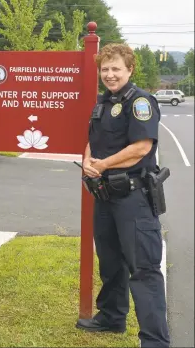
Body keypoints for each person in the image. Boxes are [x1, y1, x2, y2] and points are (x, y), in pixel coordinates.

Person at [75, 43, 170, 348]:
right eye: (105, 69)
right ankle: (112, 317)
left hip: (133, 198)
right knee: (110, 262)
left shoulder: (140, 102)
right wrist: (90, 160)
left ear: (130, 69)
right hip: (105, 196)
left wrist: (102, 164)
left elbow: (141, 147)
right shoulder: (103, 103)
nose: (110, 74)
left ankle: (154, 340)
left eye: (116, 68)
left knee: (143, 268)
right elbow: (94, 140)